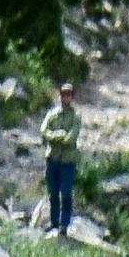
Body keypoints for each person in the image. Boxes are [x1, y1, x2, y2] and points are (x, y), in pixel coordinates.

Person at [41, 80, 83, 236]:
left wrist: (56, 137)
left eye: (68, 95)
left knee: (65, 193)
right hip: (52, 159)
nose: (65, 97)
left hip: (67, 161)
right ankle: (54, 223)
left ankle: (64, 224)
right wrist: (58, 135)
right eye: (63, 94)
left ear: (72, 97)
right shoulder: (52, 114)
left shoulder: (76, 117)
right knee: (53, 193)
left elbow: (71, 139)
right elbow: (44, 131)